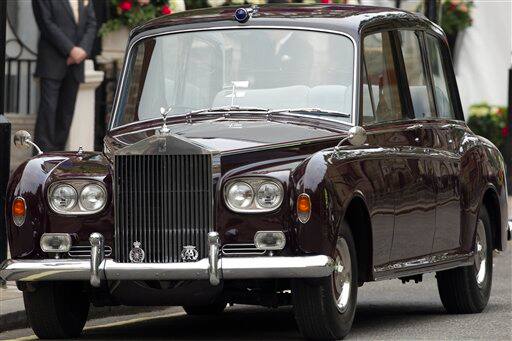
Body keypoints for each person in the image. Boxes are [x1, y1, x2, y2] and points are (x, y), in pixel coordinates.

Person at [32, 0, 97, 152]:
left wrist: (82, 50)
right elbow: (46, 24)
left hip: (76, 64)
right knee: (48, 111)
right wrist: (70, 50)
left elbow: (92, 24)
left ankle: (57, 157)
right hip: (52, 61)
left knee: (66, 114)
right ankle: (41, 158)